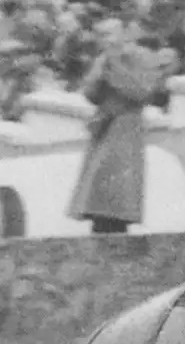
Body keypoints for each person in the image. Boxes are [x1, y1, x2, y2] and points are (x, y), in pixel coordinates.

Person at [66, 17, 174, 234]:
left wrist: (114, 69)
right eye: (102, 35)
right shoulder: (104, 59)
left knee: (118, 194)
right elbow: (90, 94)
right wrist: (100, 75)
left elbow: (143, 92)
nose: (106, 40)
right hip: (104, 125)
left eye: (110, 34)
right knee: (96, 193)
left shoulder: (142, 57)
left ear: (124, 34)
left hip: (126, 127)